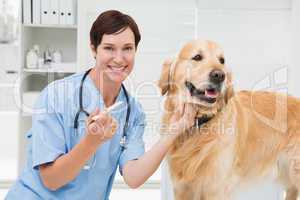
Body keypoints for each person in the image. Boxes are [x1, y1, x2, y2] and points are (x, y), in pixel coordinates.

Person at [6, 10, 196, 200]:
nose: (119, 58)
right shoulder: (56, 96)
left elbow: (133, 177)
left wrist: (175, 130)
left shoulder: (133, 112)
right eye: (109, 48)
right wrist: (91, 142)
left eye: (127, 48)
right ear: (93, 49)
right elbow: (51, 179)